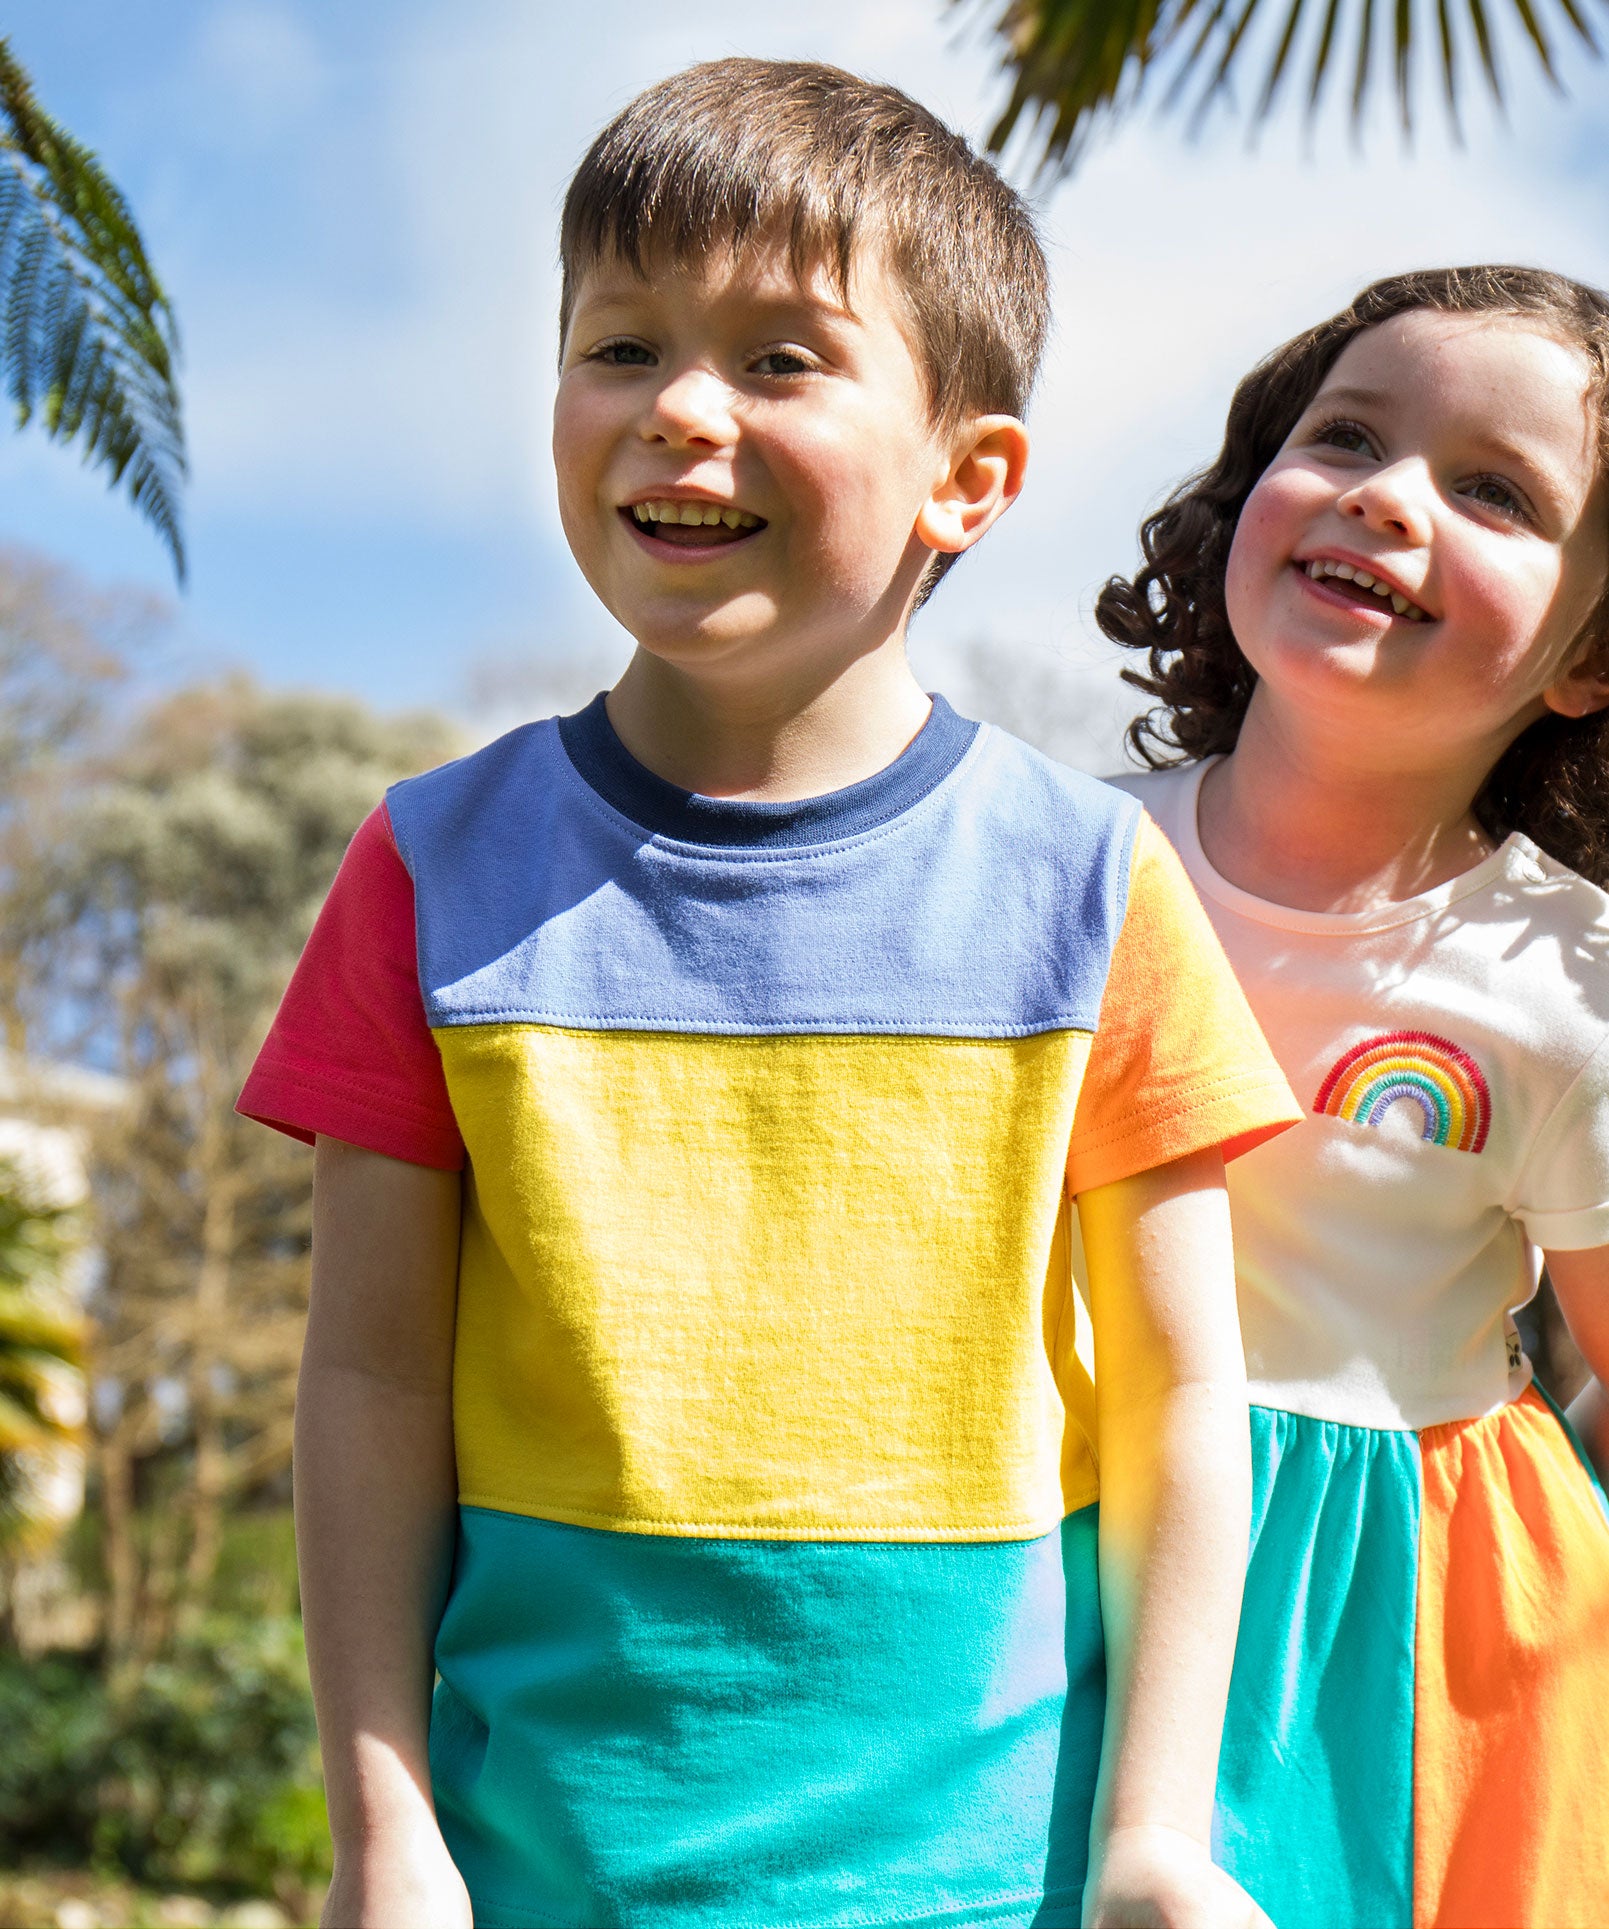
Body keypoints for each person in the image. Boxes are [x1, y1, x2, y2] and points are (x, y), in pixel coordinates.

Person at [240, 59, 1300, 1929]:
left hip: (999, 1883)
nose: (676, 414)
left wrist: (1154, 1835)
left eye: (779, 360)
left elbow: (1183, 1401)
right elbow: (371, 1377)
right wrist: (381, 1831)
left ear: (967, 479)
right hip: (534, 1867)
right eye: (619, 345)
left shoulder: (1092, 884)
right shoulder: (425, 867)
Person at [1103, 264, 1609, 1929]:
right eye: (1344, 438)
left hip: (1415, 1625)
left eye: (1492, 491)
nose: (1386, 498)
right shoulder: (1049, 858)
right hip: (1055, 1533)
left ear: (1589, 657)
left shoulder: (1571, 983)